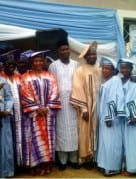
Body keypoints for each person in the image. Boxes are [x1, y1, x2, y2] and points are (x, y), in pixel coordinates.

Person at [20, 50, 61, 176]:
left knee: (47, 139)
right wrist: (37, 108)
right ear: (31, 62)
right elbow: (24, 93)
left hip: (47, 114)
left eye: (40, 60)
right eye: (35, 61)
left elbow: (55, 91)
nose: (38, 63)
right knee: (33, 138)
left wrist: (47, 108)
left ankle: (46, 164)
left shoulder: (50, 76)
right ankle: (35, 165)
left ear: (44, 62)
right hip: (34, 115)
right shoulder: (25, 77)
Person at [48, 39, 80, 170]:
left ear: (69, 50)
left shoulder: (76, 64)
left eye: (67, 49)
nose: (65, 51)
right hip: (59, 103)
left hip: (74, 102)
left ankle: (73, 160)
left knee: (73, 130)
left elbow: (79, 83)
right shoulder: (53, 66)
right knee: (61, 130)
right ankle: (62, 161)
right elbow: (51, 85)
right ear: (58, 51)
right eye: (62, 49)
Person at [70, 41, 102, 169]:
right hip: (87, 107)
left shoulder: (100, 68)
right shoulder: (80, 70)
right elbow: (77, 89)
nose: (93, 57)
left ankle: (96, 157)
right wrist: (83, 109)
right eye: (90, 55)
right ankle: (86, 157)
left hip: (99, 107)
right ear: (85, 57)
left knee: (98, 131)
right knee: (85, 132)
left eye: (94, 54)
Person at [96, 56, 126, 176]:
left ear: (114, 70)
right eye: (103, 68)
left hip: (111, 118)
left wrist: (109, 117)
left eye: (108, 69)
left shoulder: (115, 80)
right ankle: (104, 164)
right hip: (105, 117)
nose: (104, 71)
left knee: (112, 142)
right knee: (105, 141)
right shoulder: (107, 82)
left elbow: (114, 99)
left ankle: (113, 167)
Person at [118, 58, 136, 175]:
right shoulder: (119, 81)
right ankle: (127, 166)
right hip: (124, 118)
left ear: (131, 69)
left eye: (127, 67)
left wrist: (135, 115)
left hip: (135, 119)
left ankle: (135, 169)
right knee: (126, 145)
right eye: (122, 67)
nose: (124, 69)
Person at [0, 50, 24, 168]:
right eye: (8, 64)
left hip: (21, 113)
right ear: (3, 65)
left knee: (21, 138)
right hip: (8, 114)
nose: (11, 66)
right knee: (10, 140)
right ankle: (12, 165)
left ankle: (21, 162)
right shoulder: (0, 79)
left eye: (13, 64)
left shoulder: (19, 76)